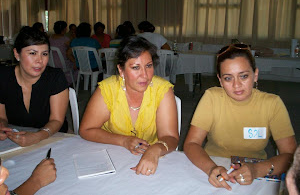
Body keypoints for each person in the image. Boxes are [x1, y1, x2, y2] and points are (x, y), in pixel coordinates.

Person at [184, 44, 297, 190]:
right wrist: (211, 168)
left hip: (256, 172)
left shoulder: (272, 104)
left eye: (243, 76)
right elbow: (191, 144)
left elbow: (290, 155)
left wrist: (257, 170)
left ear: (255, 75)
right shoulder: (212, 98)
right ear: (220, 80)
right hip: (212, 167)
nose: (237, 85)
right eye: (228, 78)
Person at [79, 36, 179, 175]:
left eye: (148, 66)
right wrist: (124, 141)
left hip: (153, 157)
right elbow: (86, 130)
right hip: (111, 156)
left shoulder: (162, 90)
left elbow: (171, 137)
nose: (144, 75)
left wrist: (155, 150)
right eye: (135, 67)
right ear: (121, 70)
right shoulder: (107, 90)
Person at [0, 26, 69, 147]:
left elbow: (57, 120)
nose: (39, 60)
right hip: (15, 138)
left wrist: (38, 136)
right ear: (17, 54)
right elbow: (2, 117)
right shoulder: (3, 77)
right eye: (32, 53)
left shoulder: (55, 77)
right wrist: (2, 127)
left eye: (44, 54)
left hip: (51, 137)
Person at [49, 21, 78, 86]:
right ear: (64, 29)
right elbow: (72, 49)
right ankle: (69, 81)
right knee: (78, 65)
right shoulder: (65, 39)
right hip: (62, 63)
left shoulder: (50, 38)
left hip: (51, 63)